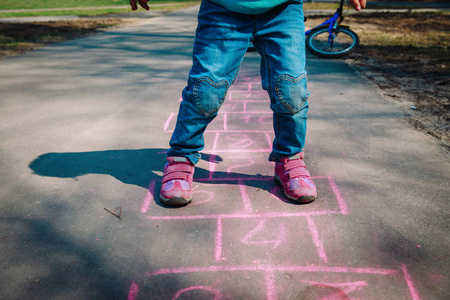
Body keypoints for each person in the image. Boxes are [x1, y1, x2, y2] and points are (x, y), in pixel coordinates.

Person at [129, 0, 366, 206]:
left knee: (291, 89)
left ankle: (289, 159)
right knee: (206, 90)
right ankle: (181, 157)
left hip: (283, 10)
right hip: (222, 9)